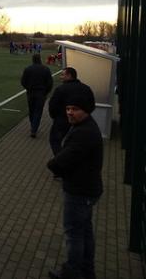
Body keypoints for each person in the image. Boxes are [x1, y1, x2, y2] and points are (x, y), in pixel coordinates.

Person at [47, 93, 103, 279]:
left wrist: (52, 165)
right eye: (68, 109)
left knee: (74, 233)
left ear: (86, 110)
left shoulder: (84, 132)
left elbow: (65, 159)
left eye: (75, 109)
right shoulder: (85, 127)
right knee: (84, 231)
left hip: (80, 190)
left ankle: (72, 272)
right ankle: (86, 270)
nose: (70, 113)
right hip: (86, 188)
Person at [48, 67, 95, 156]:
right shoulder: (86, 88)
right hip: (81, 121)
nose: (61, 77)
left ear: (69, 75)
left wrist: (56, 117)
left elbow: (52, 106)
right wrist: (84, 115)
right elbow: (91, 104)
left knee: (55, 140)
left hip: (62, 120)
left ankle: (61, 161)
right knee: (77, 142)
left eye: (63, 75)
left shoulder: (61, 89)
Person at [21, 53, 53, 137]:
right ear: (40, 59)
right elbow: (50, 83)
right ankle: (34, 129)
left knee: (31, 111)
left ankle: (33, 127)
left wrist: (28, 88)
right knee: (38, 111)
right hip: (41, 93)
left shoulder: (28, 69)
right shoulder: (46, 69)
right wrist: (46, 92)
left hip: (31, 93)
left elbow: (23, 81)